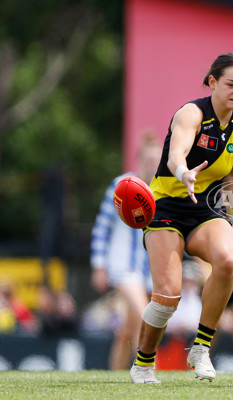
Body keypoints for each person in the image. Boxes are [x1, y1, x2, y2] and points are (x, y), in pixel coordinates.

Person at [129, 52, 233, 384]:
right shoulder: (191, 113)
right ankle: (143, 362)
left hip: (205, 208)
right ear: (212, 82)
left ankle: (201, 348)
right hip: (165, 206)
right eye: (231, 84)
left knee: (227, 261)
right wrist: (183, 172)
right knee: (167, 295)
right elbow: (177, 152)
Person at [90, 133, 161, 370]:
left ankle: (115, 376)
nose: (152, 164)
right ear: (139, 159)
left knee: (126, 334)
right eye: (149, 159)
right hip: (123, 267)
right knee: (145, 316)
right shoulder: (123, 185)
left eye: (156, 160)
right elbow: (102, 227)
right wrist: (98, 264)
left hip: (146, 272)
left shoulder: (161, 190)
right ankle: (148, 371)